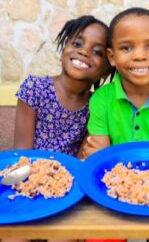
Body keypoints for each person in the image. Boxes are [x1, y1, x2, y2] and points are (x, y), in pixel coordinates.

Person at [78, 7, 149, 159]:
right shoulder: (101, 99)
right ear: (111, 57)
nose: (139, 56)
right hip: (112, 181)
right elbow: (99, 161)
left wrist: (112, 158)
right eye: (126, 48)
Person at [14, 15, 111, 156]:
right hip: (30, 171)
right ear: (63, 51)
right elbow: (21, 153)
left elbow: (81, 160)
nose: (84, 51)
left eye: (97, 51)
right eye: (77, 44)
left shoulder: (97, 103)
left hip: (71, 174)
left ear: (106, 70)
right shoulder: (33, 89)